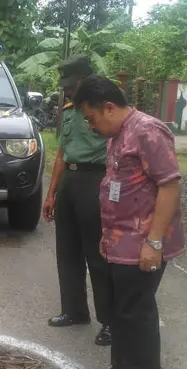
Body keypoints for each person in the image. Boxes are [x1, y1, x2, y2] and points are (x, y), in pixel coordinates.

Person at [72, 74, 185, 369]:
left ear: (109, 107)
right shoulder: (118, 134)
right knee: (120, 314)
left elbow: (169, 186)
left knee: (138, 319)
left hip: (141, 247)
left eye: (92, 118)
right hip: (118, 244)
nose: (91, 126)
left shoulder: (148, 131)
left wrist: (154, 242)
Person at [43, 55, 112, 347]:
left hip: (95, 180)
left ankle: (110, 321)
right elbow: (61, 153)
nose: (67, 91)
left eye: (71, 85)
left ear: (84, 80)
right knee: (67, 251)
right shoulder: (70, 111)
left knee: (97, 256)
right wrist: (52, 192)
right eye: (66, 87)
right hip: (70, 181)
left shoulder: (106, 108)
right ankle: (74, 310)